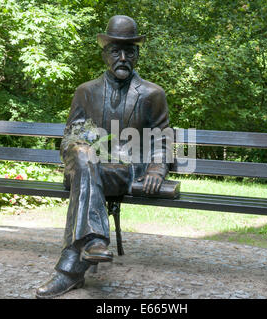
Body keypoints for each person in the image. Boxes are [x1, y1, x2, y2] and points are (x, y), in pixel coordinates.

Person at [35, 15, 170, 298]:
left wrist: (157, 170)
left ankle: (71, 268)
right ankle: (92, 242)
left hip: (122, 171)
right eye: (115, 51)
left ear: (137, 55)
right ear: (104, 54)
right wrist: (82, 151)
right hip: (85, 166)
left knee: (86, 168)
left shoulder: (152, 94)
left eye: (129, 51)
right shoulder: (86, 92)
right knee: (84, 157)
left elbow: (162, 137)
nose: (122, 57)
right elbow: (70, 137)